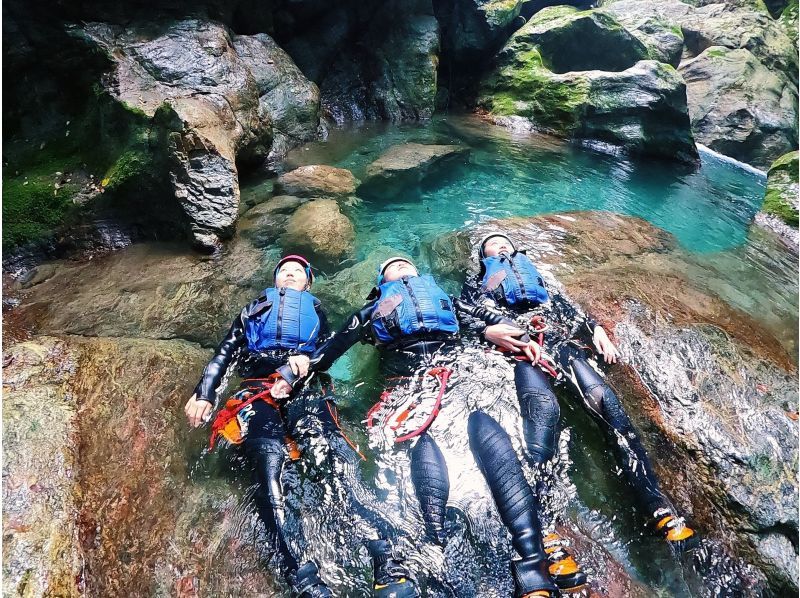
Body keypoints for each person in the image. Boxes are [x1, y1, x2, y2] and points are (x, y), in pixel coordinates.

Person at [277, 256, 569, 598]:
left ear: (418, 274)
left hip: (459, 370)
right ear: (381, 280)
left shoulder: (442, 298)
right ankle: (436, 554)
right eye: (392, 266)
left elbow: (478, 315)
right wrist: (294, 369)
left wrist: (488, 329)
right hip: (408, 382)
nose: (400, 266)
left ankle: (532, 561)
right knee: (420, 449)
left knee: (489, 432)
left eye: (406, 264)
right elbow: (332, 349)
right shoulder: (371, 311)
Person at [463, 232, 699, 554]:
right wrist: (487, 330)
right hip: (524, 351)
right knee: (543, 415)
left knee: (609, 404)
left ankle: (656, 505)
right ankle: (546, 528)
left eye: (505, 242)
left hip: (562, 343)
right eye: (493, 245)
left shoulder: (535, 275)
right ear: (484, 257)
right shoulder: (479, 284)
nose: (501, 245)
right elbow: (461, 314)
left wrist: (595, 328)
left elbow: (564, 306)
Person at [184, 255, 338, 598]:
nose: (291, 273)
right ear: (275, 281)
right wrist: (205, 392)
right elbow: (225, 352)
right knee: (267, 458)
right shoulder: (253, 310)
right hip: (257, 388)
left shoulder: (317, 311)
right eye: (284, 270)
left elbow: (329, 351)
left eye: (299, 271)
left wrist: (305, 364)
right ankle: (299, 572)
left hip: (304, 386)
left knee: (325, 451)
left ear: (308, 284)